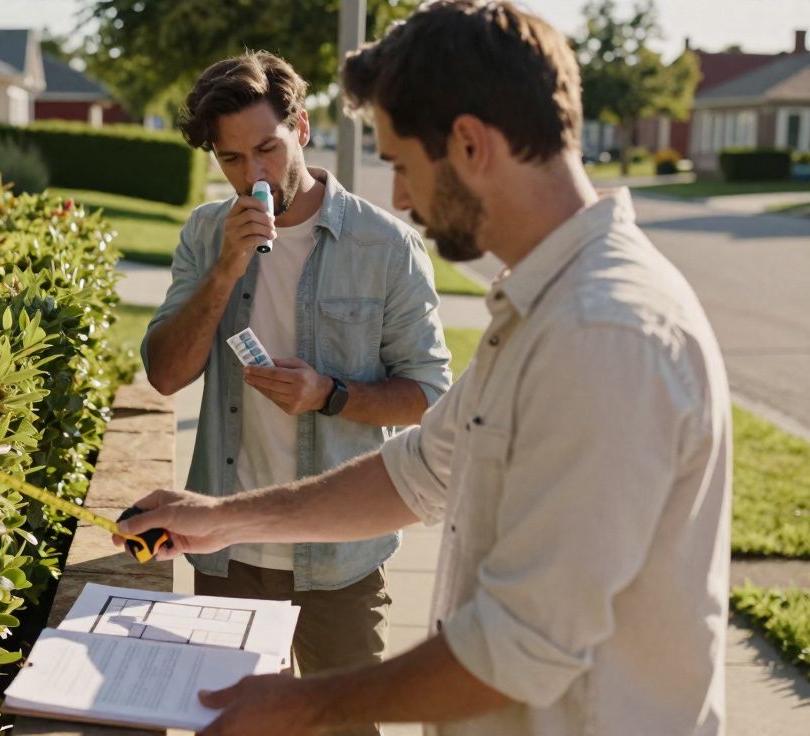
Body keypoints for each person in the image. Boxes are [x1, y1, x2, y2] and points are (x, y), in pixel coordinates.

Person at [120, 2, 731, 735]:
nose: (401, 198)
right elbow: (415, 475)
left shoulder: (603, 335)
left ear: (469, 145)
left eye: (402, 165)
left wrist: (305, 704)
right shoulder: (545, 307)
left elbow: (520, 646)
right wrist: (222, 517)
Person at [140, 49, 452, 716]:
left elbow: (430, 397)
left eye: (267, 150)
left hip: (341, 560)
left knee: (347, 729)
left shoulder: (385, 247)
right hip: (227, 554)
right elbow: (166, 374)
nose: (251, 174)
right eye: (230, 160)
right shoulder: (205, 234)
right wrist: (224, 269)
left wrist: (331, 393)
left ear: (302, 130)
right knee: (232, 724)